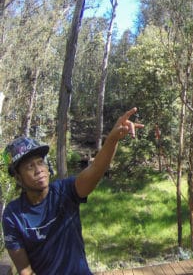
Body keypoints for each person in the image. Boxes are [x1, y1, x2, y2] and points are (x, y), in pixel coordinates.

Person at [2, 107, 144, 275]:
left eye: (40, 162)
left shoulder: (65, 192)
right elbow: (25, 270)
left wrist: (112, 139)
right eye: (29, 166)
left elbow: (96, 169)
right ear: (18, 178)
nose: (38, 169)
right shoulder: (13, 215)